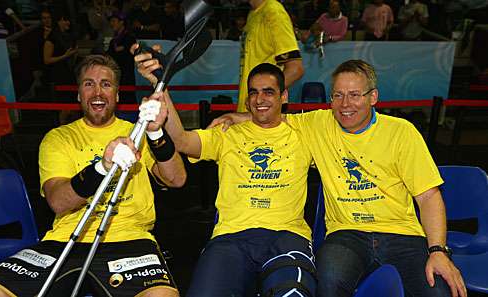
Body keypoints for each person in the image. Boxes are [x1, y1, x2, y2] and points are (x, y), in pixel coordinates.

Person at [209, 59, 467, 297]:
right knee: (327, 283)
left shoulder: (401, 132)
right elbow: (273, 116)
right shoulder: (320, 123)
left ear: (373, 97)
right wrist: (237, 117)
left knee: (439, 291)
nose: (345, 104)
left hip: (401, 234)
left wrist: (438, 251)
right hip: (347, 235)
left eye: (355, 95)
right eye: (338, 95)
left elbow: (429, 196)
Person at [0, 54, 186, 297]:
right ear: (78, 95)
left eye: (106, 84)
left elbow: (176, 179)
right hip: (64, 241)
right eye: (89, 84)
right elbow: (58, 201)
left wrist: (156, 133)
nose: (97, 92)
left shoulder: (136, 132)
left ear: (117, 95)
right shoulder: (58, 138)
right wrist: (102, 168)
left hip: (129, 242)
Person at [134, 47, 317, 297]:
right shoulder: (227, 133)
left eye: (268, 92)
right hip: (231, 239)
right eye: (253, 92)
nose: (259, 99)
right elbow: (181, 140)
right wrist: (160, 84)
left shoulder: (306, 133)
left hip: (286, 237)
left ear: (284, 96)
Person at [237, 0, 304, 112]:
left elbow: (295, 69)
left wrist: (262, 98)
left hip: (262, 115)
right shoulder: (253, 14)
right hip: (251, 113)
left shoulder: (274, 12)